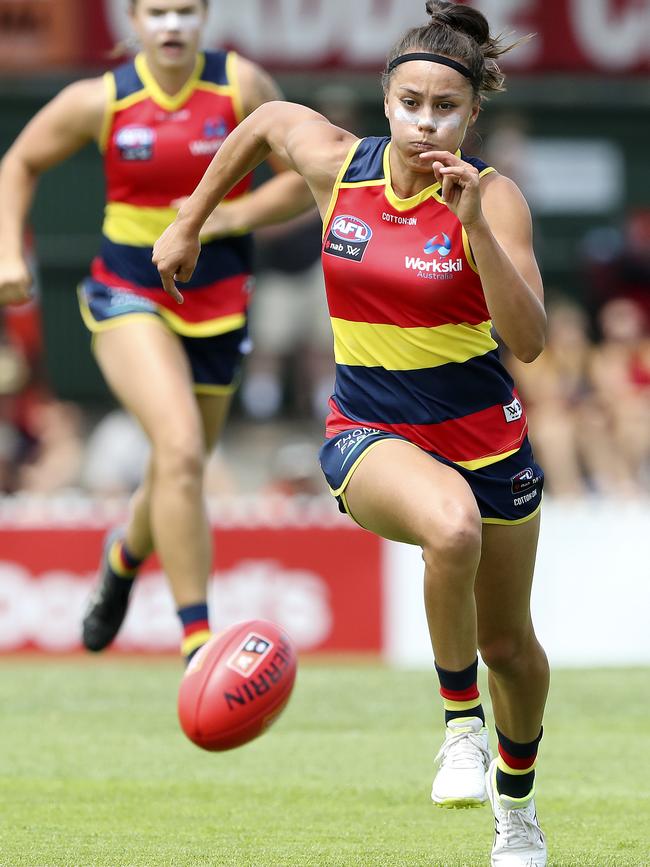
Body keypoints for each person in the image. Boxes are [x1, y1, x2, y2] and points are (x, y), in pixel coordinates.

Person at [154, 2, 551, 864]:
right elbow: (261, 122)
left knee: (512, 648)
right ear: (386, 102)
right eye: (410, 103)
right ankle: (459, 726)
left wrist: (475, 222)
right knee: (450, 526)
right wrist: (191, 217)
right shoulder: (341, 168)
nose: (425, 123)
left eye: (445, 108)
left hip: (490, 445)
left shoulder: (497, 198)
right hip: (370, 430)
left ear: (471, 114)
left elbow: (528, 340)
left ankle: (516, 808)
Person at [0, 0, 312, 664]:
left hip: (220, 298)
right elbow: (18, 163)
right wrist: (6, 254)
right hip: (128, 291)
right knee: (176, 444)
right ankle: (198, 639)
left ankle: (122, 554)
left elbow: (303, 183)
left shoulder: (241, 86)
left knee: (183, 465)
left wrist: (222, 218)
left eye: (185, 11)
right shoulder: (102, 99)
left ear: (205, 18)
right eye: (156, 11)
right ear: (132, 23)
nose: (171, 24)